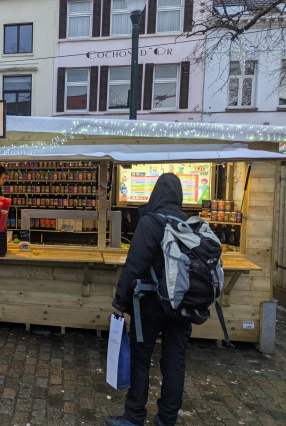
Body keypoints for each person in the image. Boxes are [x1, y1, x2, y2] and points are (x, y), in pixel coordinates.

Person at [106, 173, 190, 426]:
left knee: (141, 359)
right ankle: (167, 419)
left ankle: (134, 417)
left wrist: (120, 302)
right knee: (175, 362)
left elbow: (134, 265)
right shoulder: (190, 224)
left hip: (149, 304)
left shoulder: (151, 222)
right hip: (182, 304)